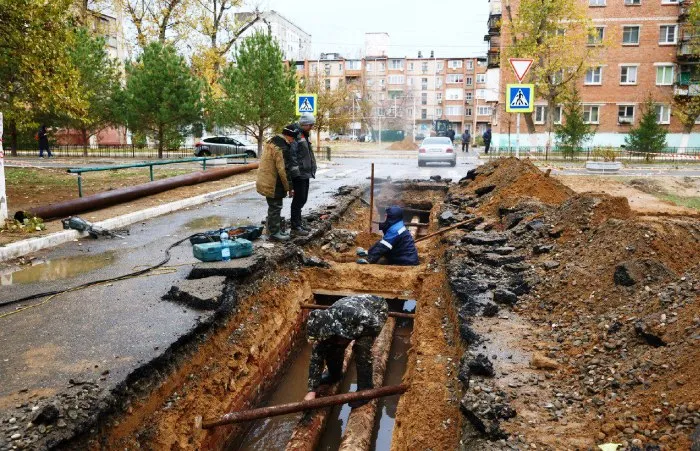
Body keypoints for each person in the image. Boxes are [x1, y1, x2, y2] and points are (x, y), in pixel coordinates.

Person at [304, 294, 389, 408]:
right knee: (331, 346)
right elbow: (316, 358)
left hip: (375, 311)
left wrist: (350, 338)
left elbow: (374, 325)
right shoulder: (324, 326)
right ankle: (334, 375)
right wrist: (312, 390)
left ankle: (365, 391)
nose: (319, 340)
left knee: (361, 347)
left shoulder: (351, 315)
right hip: (352, 317)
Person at [255, 125, 296, 241]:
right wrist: (289, 187)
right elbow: (283, 169)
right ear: (289, 136)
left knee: (274, 206)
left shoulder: (273, 141)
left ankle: (275, 230)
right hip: (273, 182)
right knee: (275, 207)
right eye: (293, 138)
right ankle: (274, 233)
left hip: (267, 179)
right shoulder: (281, 147)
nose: (293, 141)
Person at [288, 113, 317, 237]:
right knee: (298, 200)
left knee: (303, 199)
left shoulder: (304, 134)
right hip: (299, 174)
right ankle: (295, 227)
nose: (311, 127)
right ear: (304, 124)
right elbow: (292, 155)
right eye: (310, 125)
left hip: (305, 173)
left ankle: (299, 223)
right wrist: (295, 174)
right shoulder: (296, 134)